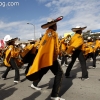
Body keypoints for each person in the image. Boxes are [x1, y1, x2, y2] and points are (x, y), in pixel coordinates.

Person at [26, 16, 65, 100]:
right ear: (53, 25)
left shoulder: (47, 33)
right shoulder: (51, 33)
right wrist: (51, 57)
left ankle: (34, 84)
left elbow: (43, 46)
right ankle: (54, 95)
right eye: (56, 25)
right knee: (59, 73)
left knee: (43, 71)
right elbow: (49, 47)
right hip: (50, 58)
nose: (56, 26)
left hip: (48, 57)